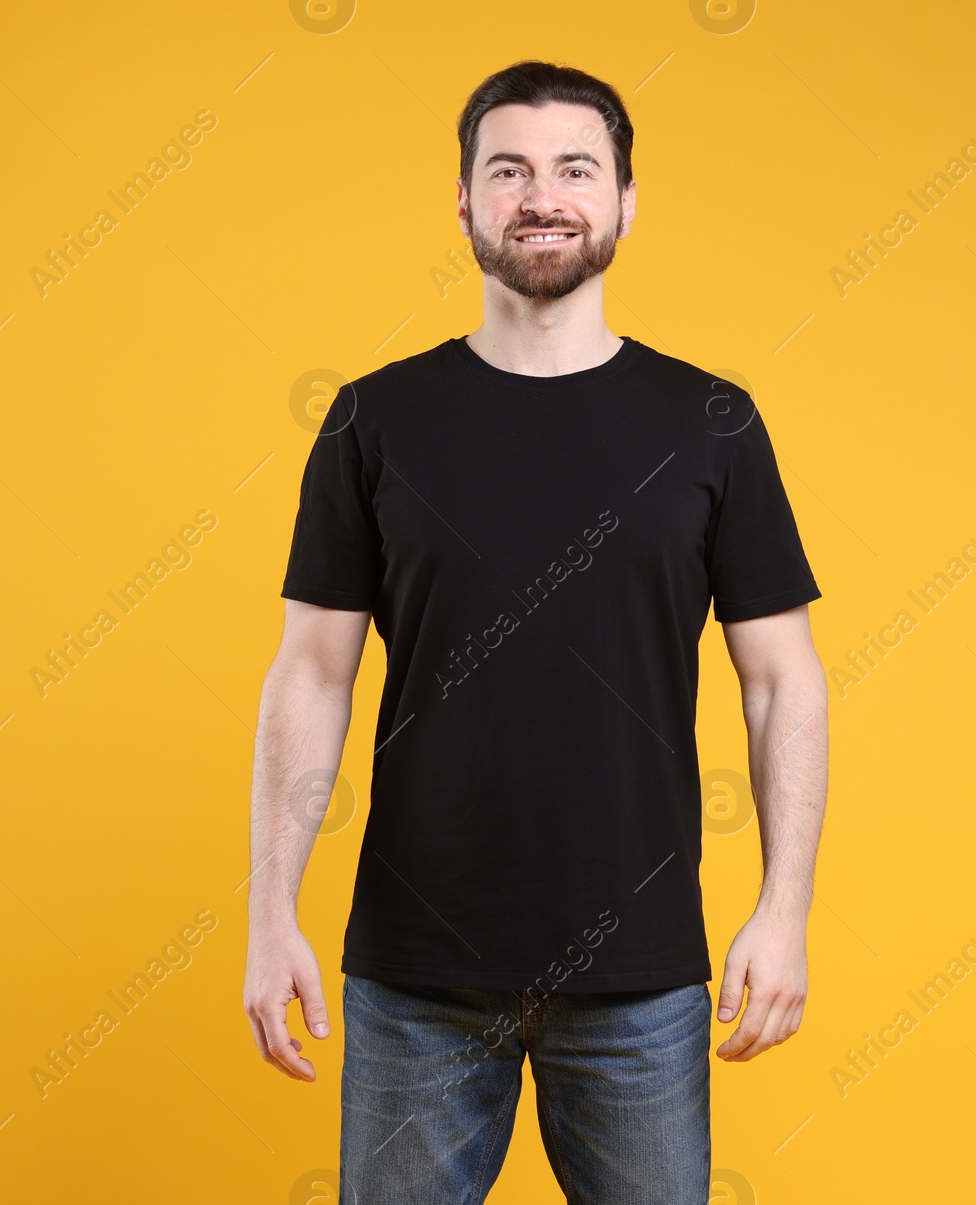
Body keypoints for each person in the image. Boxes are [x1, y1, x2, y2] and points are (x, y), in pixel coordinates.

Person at [244, 59, 829, 1203]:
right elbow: (312, 673)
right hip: (414, 976)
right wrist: (270, 913)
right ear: (462, 201)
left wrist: (784, 907)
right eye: (507, 169)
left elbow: (782, 681)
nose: (542, 194)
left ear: (624, 201)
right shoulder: (376, 418)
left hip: (642, 979)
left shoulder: (709, 422)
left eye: (575, 168)